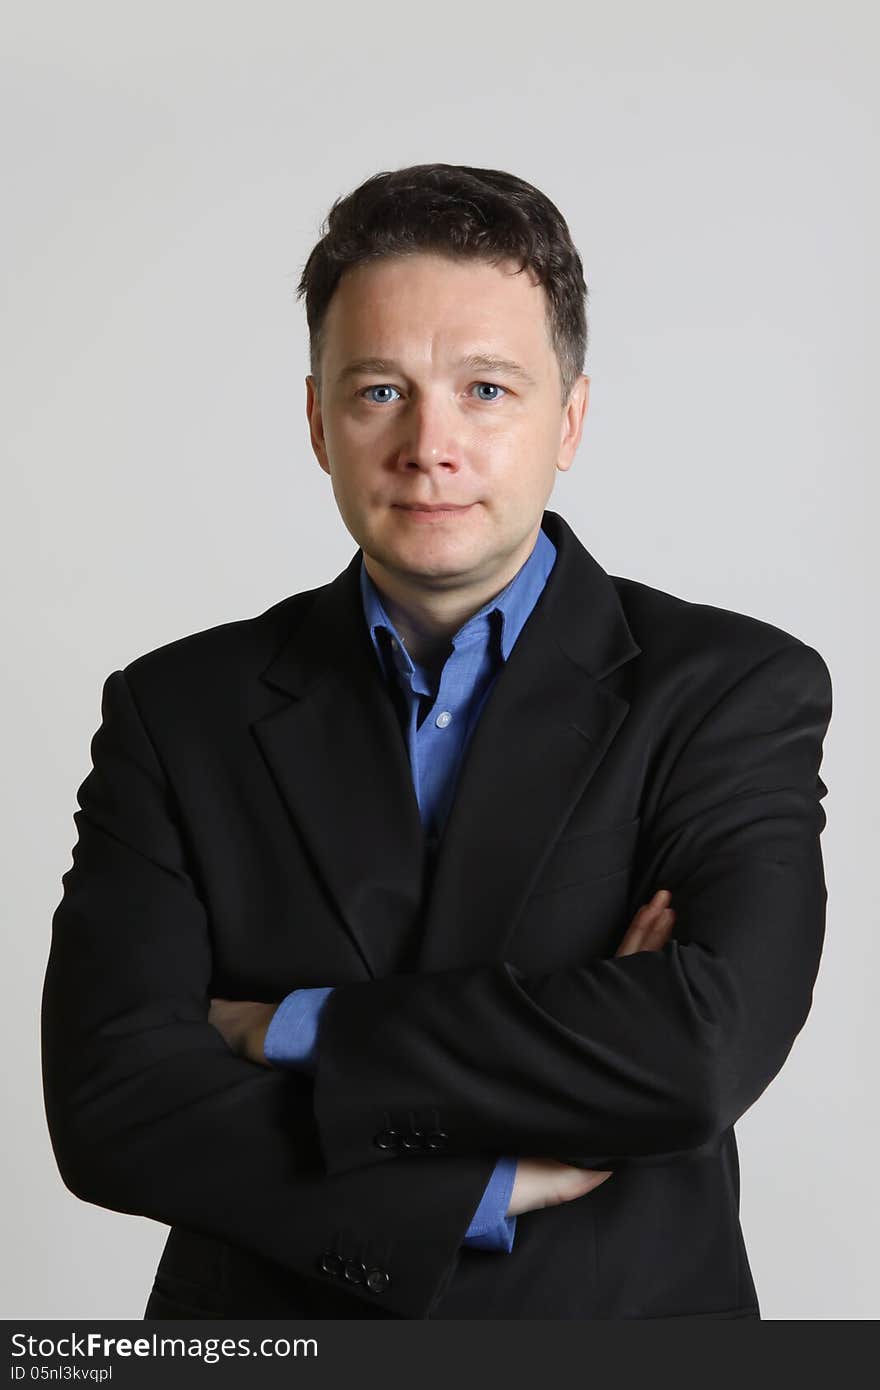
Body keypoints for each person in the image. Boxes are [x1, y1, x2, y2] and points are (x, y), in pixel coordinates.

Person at [41, 163, 832, 1320]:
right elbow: (111, 1104)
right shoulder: (177, 709)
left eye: (487, 389)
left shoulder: (730, 690)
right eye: (377, 391)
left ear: (568, 419)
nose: (429, 443)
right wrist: (493, 1168)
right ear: (316, 420)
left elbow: (698, 1054)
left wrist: (286, 1027)